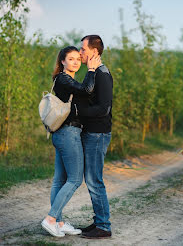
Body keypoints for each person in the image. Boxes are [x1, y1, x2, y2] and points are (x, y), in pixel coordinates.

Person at [41, 46, 101, 237]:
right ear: (62, 62)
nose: (76, 62)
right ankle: (50, 219)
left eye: (77, 59)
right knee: (75, 179)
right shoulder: (63, 79)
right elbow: (87, 89)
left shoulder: (67, 80)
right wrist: (91, 70)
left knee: (60, 180)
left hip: (62, 133)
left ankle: (57, 222)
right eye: (71, 59)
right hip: (68, 134)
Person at [77, 35, 114, 239]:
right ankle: (99, 221)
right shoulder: (93, 72)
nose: (80, 52)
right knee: (91, 179)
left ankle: (104, 226)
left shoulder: (102, 74)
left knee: (94, 180)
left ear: (94, 51)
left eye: (83, 49)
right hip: (91, 132)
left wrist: (78, 111)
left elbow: (103, 108)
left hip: (98, 134)